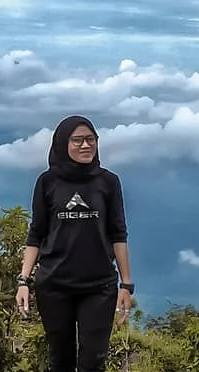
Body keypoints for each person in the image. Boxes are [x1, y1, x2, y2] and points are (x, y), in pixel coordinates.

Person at [15, 115, 133, 372]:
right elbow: (36, 234)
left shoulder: (108, 182)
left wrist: (126, 285)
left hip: (99, 287)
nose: (85, 145)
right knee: (60, 361)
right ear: (62, 144)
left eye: (91, 139)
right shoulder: (47, 182)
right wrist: (23, 280)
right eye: (77, 140)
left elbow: (118, 234)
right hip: (54, 286)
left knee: (94, 362)